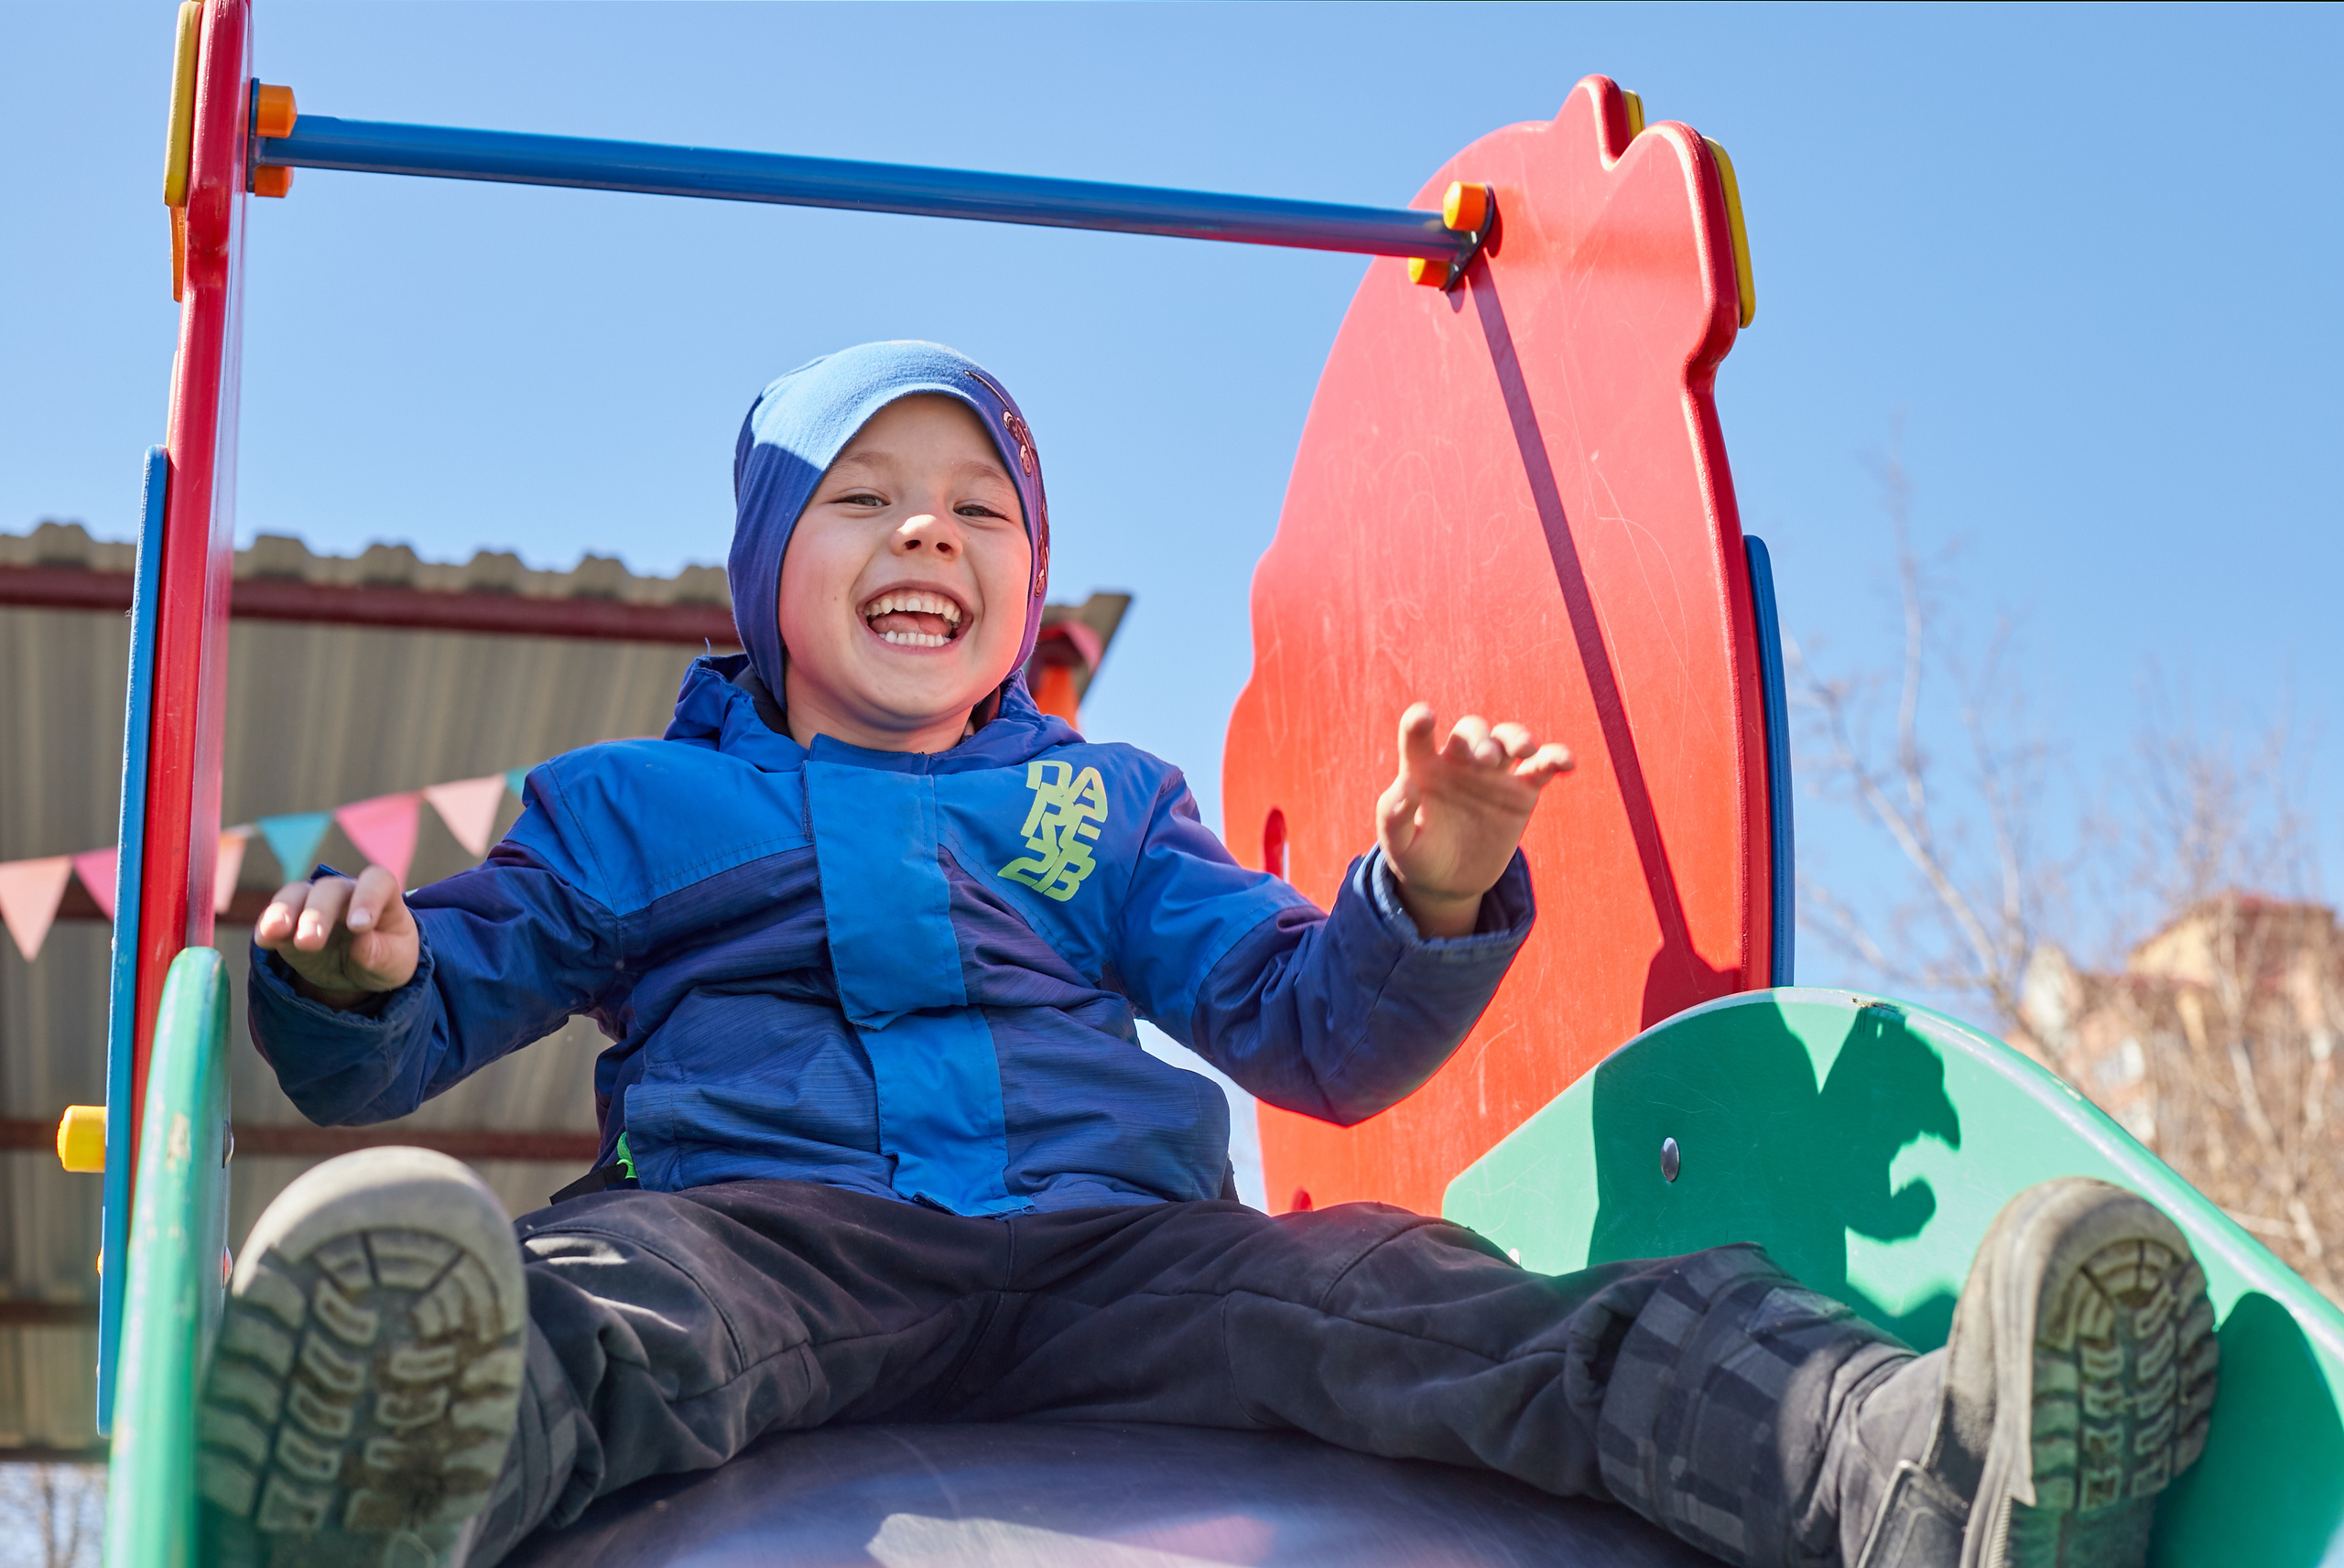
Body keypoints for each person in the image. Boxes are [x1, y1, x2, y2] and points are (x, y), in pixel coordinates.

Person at [202, 342, 2216, 1568]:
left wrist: (1421, 888)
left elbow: (1299, 1030)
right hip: (772, 1224)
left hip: (1121, 1248)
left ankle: (1916, 1478)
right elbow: (431, 1012)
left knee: (1453, 1301)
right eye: (866, 501)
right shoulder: (639, 805)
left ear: (1021, 578)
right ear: (764, 568)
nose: (929, 538)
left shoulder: (1099, 803)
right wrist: (369, 972)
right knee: (606, 1299)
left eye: (980, 507)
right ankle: (396, 1477)